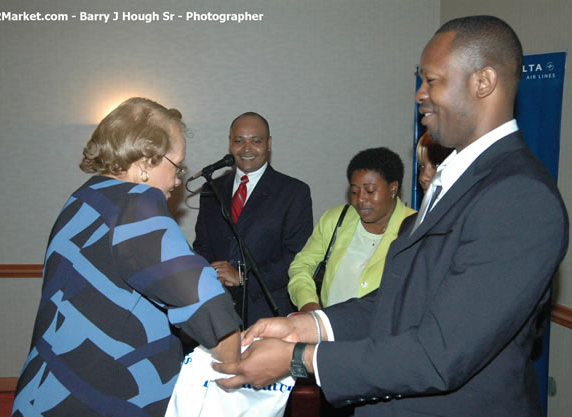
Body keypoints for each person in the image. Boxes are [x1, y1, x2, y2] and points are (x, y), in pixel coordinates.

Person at [214, 16, 569, 417]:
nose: (420, 94)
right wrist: (308, 326)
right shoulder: (456, 176)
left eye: (432, 81)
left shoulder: (518, 196)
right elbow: (402, 301)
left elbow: (440, 354)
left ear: (482, 82)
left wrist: (299, 359)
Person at [11, 98, 241, 417]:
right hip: (104, 396)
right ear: (147, 160)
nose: (178, 181)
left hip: (47, 390)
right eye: (177, 167)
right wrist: (240, 363)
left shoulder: (81, 198)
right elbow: (205, 303)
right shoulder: (137, 203)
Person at [193, 112, 313, 326]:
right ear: (230, 144)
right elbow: (202, 244)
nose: (246, 149)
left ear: (268, 144)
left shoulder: (294, 192)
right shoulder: (211, 189)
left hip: (267, 311)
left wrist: (243, 277)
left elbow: (296, 256)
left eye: (255, 141)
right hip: (217, 308)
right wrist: (212, 276)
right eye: (239, 141)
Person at [288, 147, 415, 312]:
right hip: (332, 329)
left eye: (370, 191)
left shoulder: (415, 228)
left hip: (387, 332)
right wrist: (308, 303)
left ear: (393, 188)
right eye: (355, 191)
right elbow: (301, 266)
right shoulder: (335, 219)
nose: (361, 199)